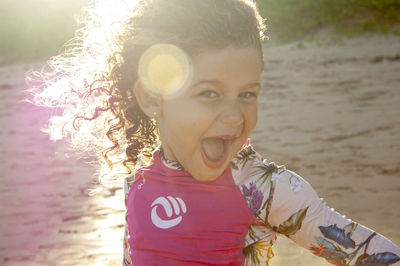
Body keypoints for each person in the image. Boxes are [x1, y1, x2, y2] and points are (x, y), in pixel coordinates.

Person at [29, 0, 400, 265]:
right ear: (152, 98)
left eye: (247, 94)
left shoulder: (263, 188)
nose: (234, 116)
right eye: (209, 93)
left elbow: (367, 254)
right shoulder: (138, 182)